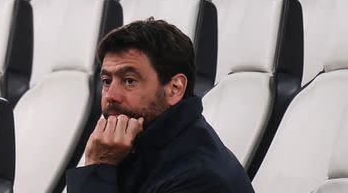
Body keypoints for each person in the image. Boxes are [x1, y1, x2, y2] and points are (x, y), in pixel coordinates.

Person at [66, 18, 254, 192]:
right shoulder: (131, 147)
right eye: (107, 81)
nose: (111, 96)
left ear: (175, 88)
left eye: (129, 81)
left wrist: (98, 167)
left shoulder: (200, 179)